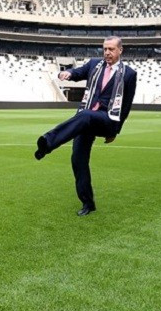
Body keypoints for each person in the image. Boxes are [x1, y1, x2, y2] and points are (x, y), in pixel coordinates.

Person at [34, 36, 137, 216]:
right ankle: (88, 203)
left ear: (120, 50)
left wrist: (116, 131)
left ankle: (49, 142)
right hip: (86, 120)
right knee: (78, 160)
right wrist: (67, 74)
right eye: (105, 49)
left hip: (107, 119)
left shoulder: (129, 74)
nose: (107, 53)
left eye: (111, 49)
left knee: (85, 115)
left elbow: (126, 106)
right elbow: (78, 72)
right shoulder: (94, 64)